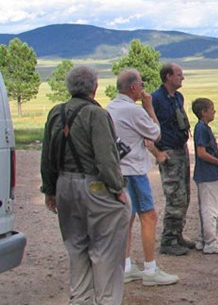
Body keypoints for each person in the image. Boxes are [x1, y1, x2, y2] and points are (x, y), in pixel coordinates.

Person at [40, 65, 129, 304]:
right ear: (94, 87)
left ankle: (79, 300)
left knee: (76, 247)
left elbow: (47, 155)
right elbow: (106, 157)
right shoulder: (96, 114)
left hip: (64, 186)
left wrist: (50, 190)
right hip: (94, 187)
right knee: (106, 250)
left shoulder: (55, 113)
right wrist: (117, 188)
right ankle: (107, 299)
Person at [106, 69, 179, 286]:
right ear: (134, 88)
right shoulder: (134, 110)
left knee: (126, 219)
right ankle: (150, 268)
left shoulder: (110, 108)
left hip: (118, 171)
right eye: (141, 83)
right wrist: (149, 108)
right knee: (149, 217)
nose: (143, 87)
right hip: (134, 171)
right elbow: (155, 133)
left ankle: (126, 266)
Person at [151, 63, 194, 256]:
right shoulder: (156, 99)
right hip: (168, 152)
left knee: (184, 195)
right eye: (178, 74)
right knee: (175, 196)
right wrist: (157, 153)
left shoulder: (178, 97)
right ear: (168, 76)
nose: (182, 78)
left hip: (180, 149)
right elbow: (148, 129)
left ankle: (177, 235)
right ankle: (168, 240)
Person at [191, 97, 218, 254]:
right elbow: (202, 153)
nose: (214, 111)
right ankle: (210, 242)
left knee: (205, 207)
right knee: (210, 209)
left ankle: (203, 239)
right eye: (212, 109)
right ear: (204, 112)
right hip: (207, 174)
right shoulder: (202, 129)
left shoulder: (202, 128)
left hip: (205, 174)